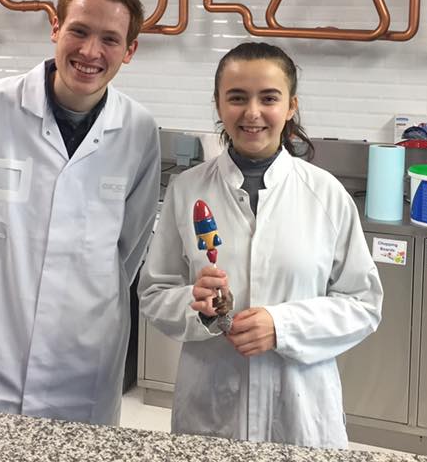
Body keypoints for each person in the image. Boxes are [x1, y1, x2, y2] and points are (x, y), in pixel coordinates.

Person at [0, 0, 161, 425]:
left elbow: (128, 251)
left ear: (130, 50)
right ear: (55, 28)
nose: (91, 52)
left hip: (82, 366)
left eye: (110, 39)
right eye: (79, 30)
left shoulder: (138, 130)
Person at [139, 41, 383, 448]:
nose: (252, 113)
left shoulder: (326, 194)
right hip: (212, 410)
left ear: (290, 107)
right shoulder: (187, 190)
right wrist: (198, 308)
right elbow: (154, 292)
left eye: (268, 98)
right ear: (218, 105)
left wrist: (282, 326)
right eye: (237, 97)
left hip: (300, 417)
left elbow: (363, 304)